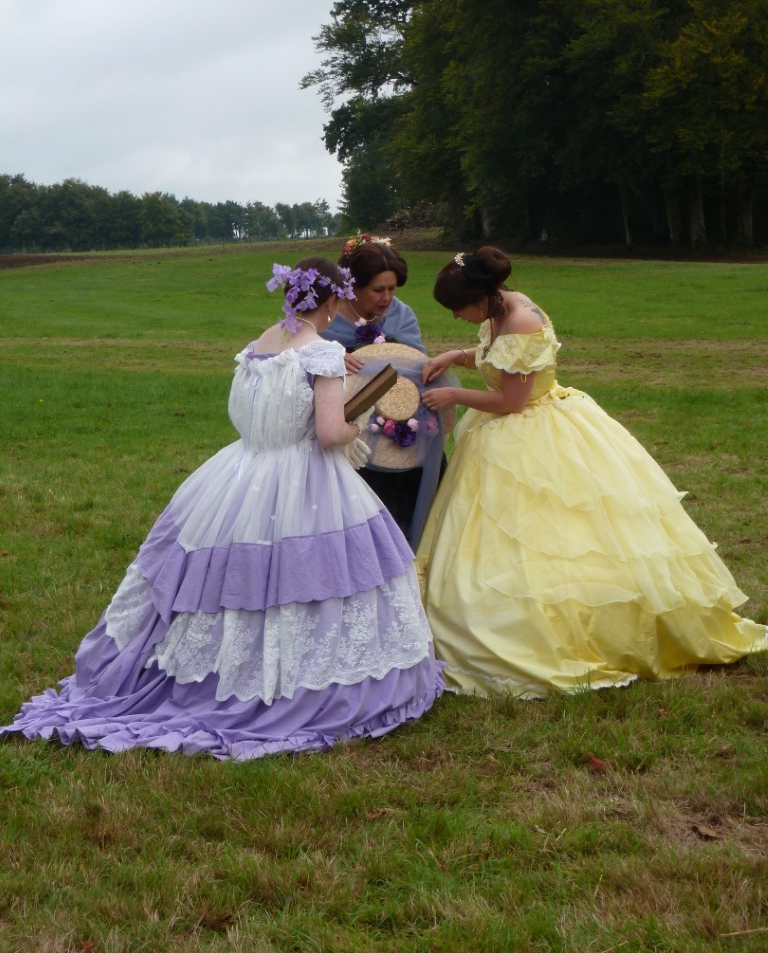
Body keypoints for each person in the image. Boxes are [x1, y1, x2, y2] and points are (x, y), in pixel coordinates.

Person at [1, 258, 443, 758]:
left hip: (241, 472)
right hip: (304, 477)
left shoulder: (263, 342)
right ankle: (293, 681)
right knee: (313, 577)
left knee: (227, 576)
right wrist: (354, 426)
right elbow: (326, 432)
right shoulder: (322, 351)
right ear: (331, 301)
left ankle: (211, 670)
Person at [416, 246, 767, 698]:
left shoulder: (521, 319)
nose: (458, 316)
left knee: (560, 533)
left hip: (531, 429)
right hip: (506, 432)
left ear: (481, 297)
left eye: (458, 309)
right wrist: (457, 355)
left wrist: (455, 398)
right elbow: (497, 355)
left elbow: (511, 400)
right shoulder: (500, 307)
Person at [322, 231, 451, 549]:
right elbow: (299, 360)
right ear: (352, 287)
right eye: (378, 289)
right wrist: (333, 358)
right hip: (345, 427)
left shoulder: (401, 314)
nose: (387, 297)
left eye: (392, 289)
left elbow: (416, 365)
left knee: (410, 490)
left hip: (398, 421)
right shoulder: (325, 317)